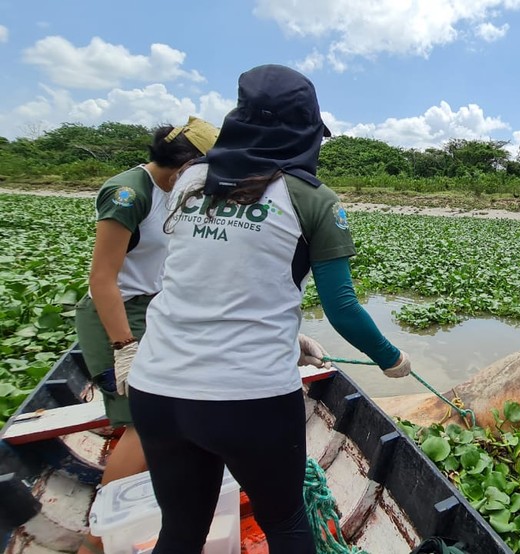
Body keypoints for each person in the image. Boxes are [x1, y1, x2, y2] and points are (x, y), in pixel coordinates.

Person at [124, 64, 412, 554]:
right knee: (285, 523)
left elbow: (206, 277)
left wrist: (291, 339)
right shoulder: (313, 198)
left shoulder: (191, 179)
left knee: (181, 529)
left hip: (156, 390)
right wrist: (391, 358)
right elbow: (342, 309)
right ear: (305, 131)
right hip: (248, 398)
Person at [74, 117, 219, 554]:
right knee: (142, 422)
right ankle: (95, 542)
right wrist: (124, 348)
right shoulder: (128, 193)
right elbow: (102, 279)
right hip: (115, 316)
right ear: (186, 163)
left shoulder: (178, 194)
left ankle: (149, 500)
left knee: (168, 410)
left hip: (154, 310)